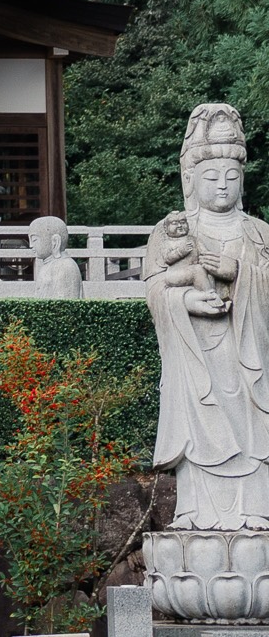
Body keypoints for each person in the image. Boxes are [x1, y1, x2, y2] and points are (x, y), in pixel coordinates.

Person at [147, 103, 269, 529]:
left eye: (231, 178)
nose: (222, 186)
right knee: (200, 420)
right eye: (211, 177)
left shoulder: (258, 233)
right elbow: (155, 289)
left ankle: (257, 508)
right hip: (196, 350)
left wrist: (240, 274)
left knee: (254, 428)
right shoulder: (172, 230)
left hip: (248, 352)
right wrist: (185, 302)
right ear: (189, 179)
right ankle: (193, 509)